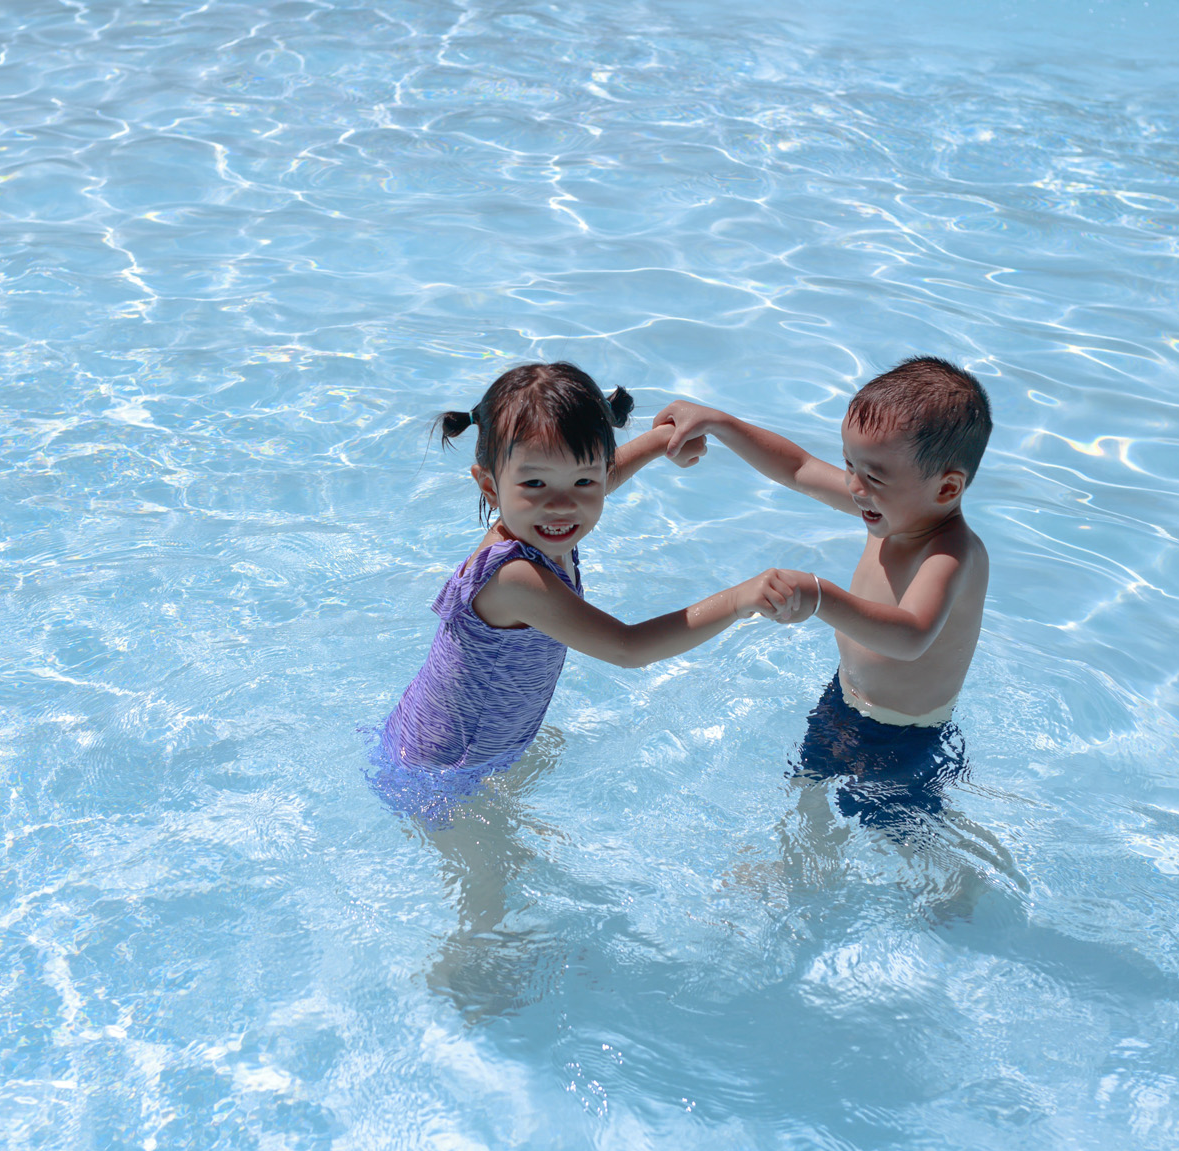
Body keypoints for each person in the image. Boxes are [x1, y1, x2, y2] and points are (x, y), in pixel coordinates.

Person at [376, 361, 802, 807]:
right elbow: (627, 647)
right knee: (491, 876)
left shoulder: (538, 522)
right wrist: (739, 600)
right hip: (442, 774)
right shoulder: (514, 577)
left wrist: (663, 441)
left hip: (465, 745)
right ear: (489, 486)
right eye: (535, 483)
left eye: (583, 480)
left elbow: (599, 479)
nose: (562, 505)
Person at [656, 357, 992, 833]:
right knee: (807, 787)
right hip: (841, 702)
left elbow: (911, 636)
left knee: (903, 837)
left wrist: (820, 597)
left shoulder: (950, 554)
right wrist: (719, 423)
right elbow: (797, 468)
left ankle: (955, 897)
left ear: (947, 488)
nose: (854, 487)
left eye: (872, 477)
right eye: (850, 465)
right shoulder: (891, 509)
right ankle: (803, 871)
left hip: (905, 735)